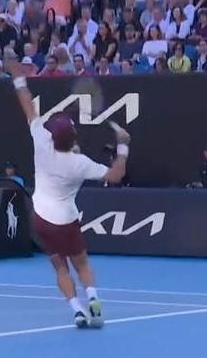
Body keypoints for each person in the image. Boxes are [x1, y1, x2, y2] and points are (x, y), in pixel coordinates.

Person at [7, 59, 128, 329]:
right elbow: (115, 176)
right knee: (81, 264)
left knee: (60, 266)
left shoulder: (41, 142)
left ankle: (77, 311)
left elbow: (27, 105)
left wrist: (18, 77)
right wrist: (123, 146)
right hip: (66, 220)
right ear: (73, 137)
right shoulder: (80, 163)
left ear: (53, 136)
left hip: (41, 218)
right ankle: (93, 299)